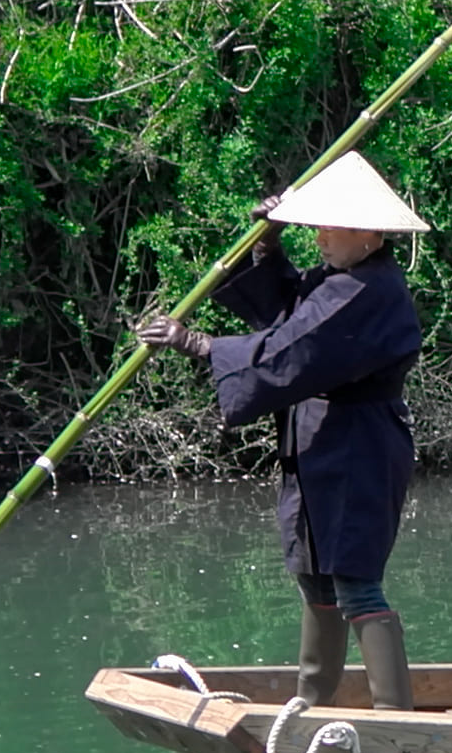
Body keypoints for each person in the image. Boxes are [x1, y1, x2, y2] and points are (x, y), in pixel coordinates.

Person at [139, 153, 431, 712]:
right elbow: (288, 311)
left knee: (354, 580)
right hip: (319, 441)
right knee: (315, 578)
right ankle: (310, 705)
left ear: (368, 233)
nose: (318, 237)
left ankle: (394, 717)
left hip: (359, 448)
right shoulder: (340, 279)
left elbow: (295, 347)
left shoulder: (371, 291)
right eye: (313, 224)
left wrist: (199, 344)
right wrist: (268, 244)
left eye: (329, 225)